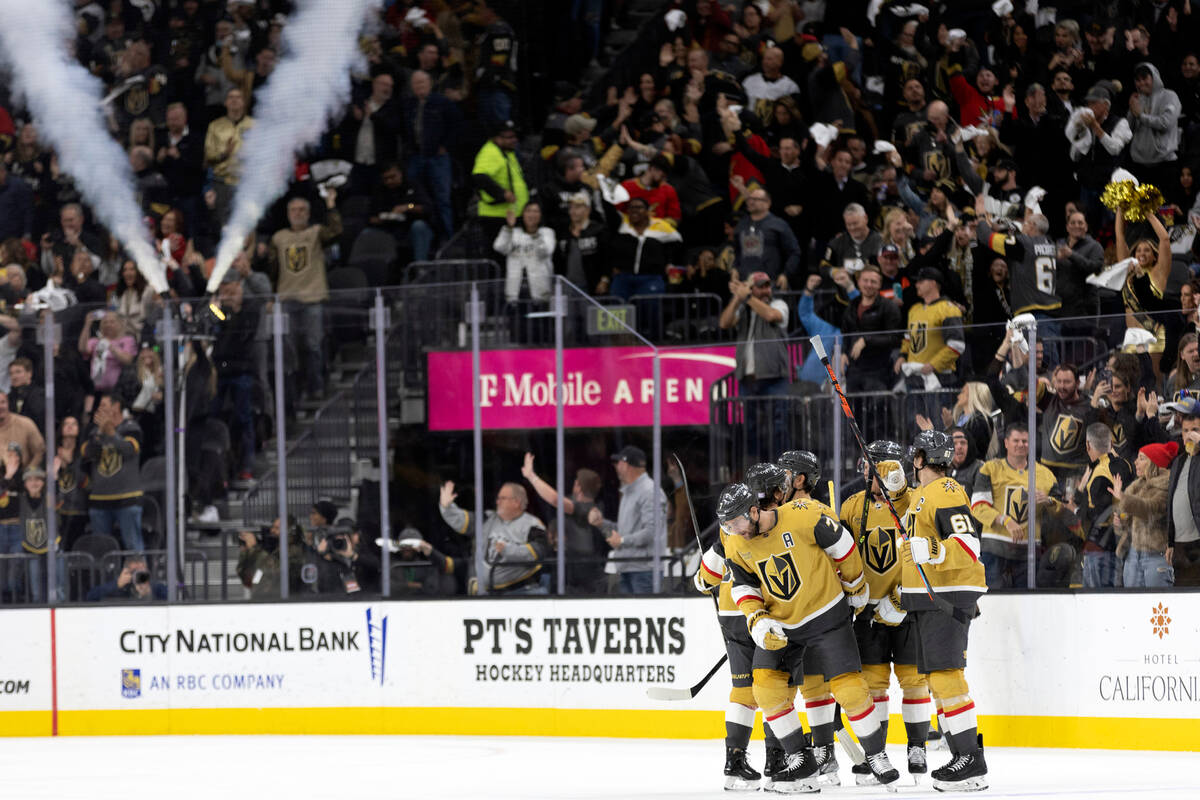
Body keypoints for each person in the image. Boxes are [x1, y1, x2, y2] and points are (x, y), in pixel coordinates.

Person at [718, 482, 898, 791]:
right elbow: (743, 585)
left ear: (753, 510)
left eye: (736, 521)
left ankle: (876, 756)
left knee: (849, 689)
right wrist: (757, 619)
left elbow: (843, 545)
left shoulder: (804, 515)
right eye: (728, 525)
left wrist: (855, 585)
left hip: (826, 615)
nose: (734, 530)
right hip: (782, 624)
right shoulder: (736, 542)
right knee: (765, 689)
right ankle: (802, 761)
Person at [900, 430, 988, 792]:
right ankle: (962, 755)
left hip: (946, 595)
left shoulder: (947, 490)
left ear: (920, 458)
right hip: (928, 595)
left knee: (948, 677)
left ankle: (970, 761)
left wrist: (934, 551)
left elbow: (969, 544)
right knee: (938, 680)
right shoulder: (921, 496)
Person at [838, 441, 932, 780]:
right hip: (868, 613)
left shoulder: (912, 504)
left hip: (907, 609)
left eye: (876, 465)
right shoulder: (851, 506)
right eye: (867, 464)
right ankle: (874, 754)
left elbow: (925, 553)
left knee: (914, 681)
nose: (868, 470)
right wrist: (851, 595)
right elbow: (840, 559)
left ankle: (917, 747)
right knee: (873, 685)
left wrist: (904, 598)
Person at [694, 464, 790, 790]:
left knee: (743, 690)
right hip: (762, 609)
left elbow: (706, 575)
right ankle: (777, 760)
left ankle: (734, 764)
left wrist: (702, 578)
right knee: (775, 685)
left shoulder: (730, 524)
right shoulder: (773, 518)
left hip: (730, 610)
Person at [267, 190, 341, 402]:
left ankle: (316, 387)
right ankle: (293, 394)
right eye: (293, 210)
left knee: (313, 345)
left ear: (308, 214)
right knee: (289, 351)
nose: (297, 213)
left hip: (312, 299)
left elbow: (336, 231)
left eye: (301, 210)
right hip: (287, 299)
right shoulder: (278, 238)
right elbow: (274, 270)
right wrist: (272, 297)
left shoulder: (317, 232)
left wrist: (331, 205)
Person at [970, 422, 1060, 589]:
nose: (1021, 445)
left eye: (1025, 441)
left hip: (1029, 552)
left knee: (1026, 605)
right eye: (1016, 441)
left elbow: (1061, 507)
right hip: (995, 549)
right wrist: (1005, 521)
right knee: (993, 602)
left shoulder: (1046, 475)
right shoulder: (990, 469)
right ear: (1006, 443)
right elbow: (977, 506)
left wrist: (1049, 501)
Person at [719, 271, 789, 461]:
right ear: (752, 288)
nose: (766, 290)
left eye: (768, 285)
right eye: (761, 286)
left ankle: (780, 467)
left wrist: (747, 296)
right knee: (750, 427)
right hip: (748, 379)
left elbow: (771, 315)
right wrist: (737, 298)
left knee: (778, 426)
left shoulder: (778, 304)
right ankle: (754, 467)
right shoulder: (744, 309)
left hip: (774, 377)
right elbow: (724, 323)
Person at [438, 478, 548, 594]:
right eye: (498, 498)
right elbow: (462, 521)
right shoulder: (488, 518)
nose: (497, 502)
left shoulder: (533, 525)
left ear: (516, 502)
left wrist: (508, 550)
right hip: (489, 593)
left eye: (502, 498)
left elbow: (537, 552)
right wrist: (447, 508)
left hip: (521, 591)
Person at [521, 452, 608, 594]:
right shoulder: (589, 509)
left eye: (575, 483)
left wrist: (532, 476)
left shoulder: (587, 509)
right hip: (574, 578)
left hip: (586, 583)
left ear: (578, 487)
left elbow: (555, 499)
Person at [894, 268, 965, 427]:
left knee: (938, 426)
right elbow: (908, 338)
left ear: (933, 283)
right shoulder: (914, 309)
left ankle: (938, 453)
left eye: (921, 281)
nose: (916, 284)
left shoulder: (948, 309)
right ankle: (918, 453)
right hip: (914, 379)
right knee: (916, 427)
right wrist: (902, 356)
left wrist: (933, 365)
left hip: (940, 379)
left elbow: (957, 345)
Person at [592, 446, 667, 595]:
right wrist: (602, 524)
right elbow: (625, 530)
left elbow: (652, 532)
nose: (616, 467)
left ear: (626, 465)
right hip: (630, 568)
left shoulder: (649, 491)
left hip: (644, 571)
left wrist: (622, 541)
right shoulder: (630, 491)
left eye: (618, 463)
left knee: (645, 615)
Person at [210, 271, 262, 481]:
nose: (226, 291)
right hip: (221, 369)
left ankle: (247, 464)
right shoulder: (221, 309)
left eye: (229, 286)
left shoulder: (249, 307)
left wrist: (232, 311)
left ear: (237, 285)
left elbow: (240, 335)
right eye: (223, 287)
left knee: (243, 417)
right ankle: (221, 467)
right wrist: (221, 312)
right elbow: (218, 328)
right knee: (214, 416)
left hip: (242, 369)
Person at [80, 394, 144, 552]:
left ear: (116, 407)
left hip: (127, 500)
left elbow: (128, 450)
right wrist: (99, 435)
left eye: (103, 405)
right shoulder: (93, 431)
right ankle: (107, 578)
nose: (99, 409)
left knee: (133, 546)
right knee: (102, 549)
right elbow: (88, 455)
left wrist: (111, 434)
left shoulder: (131, 427)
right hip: (99, 501)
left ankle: (140, 576)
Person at [1071, 423, 1132, 588]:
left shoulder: (1099, 473)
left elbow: (1102, 516)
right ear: (1111, 443)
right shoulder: (1125, 464)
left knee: (1097, 603)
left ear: (1088, 445)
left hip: (1100, 547)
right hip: (1123, 544)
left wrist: (1076, 509)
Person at [402, 70, 460, 241]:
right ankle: (418, 235)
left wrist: (445, 146)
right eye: (416, 83)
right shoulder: (409, 104)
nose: (420, 86)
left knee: (442, 198)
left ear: (430, 84)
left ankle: (447, 239)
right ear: (411, 86)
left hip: (438, 158)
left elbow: (457, 126)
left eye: (423, 83)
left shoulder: (442, 102)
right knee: (413, 197)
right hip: (416, 156)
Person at [1114, 208, 1173, 366]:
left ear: (1155, 255)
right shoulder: (1129, 274)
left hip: (1153, 333)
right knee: (1131, 385)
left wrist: (1147, 212)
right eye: (1139, 250)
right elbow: (1120, 238)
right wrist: (1120, 208)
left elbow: (1165, 240)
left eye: (1147, 250)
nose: (1142, 253)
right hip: (1131, 336)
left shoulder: (1158, 273)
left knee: (1155, 385)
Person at [1112, 442, 1176, 588]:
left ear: (1154, 463)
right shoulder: (1136, 487)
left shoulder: (1166, 487)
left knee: (1156, 607)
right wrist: (1120, 523)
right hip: (1133, 555)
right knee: (1133, 607)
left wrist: (1122, 497)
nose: (1136, 461)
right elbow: (1128, 523)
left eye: (1141, 458)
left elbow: (1149, 510)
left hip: (1157, 557)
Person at [841, 265, 903, 392]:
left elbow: (895, 338)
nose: (868, 285)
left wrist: (866, 340)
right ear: (858, 282)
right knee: (853, 410)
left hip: (879, 371)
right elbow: (845, 333)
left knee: (878, 409)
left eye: (873, 282)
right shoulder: (852, 306)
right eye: (865, 280)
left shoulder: (888, 307)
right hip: (854, 370)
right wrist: (842, 353)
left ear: (879, 284)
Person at [472, 120, 528, 252]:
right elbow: (479, 177)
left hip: (510, 213)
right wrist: (502, 193)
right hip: (496, 216)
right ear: (496, 138)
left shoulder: (507, 152)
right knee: (500, 254)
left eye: (514, 136)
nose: (514, 140)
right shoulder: (490, 152)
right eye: (509, 137)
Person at [733, 187, 801, 289]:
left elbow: (794, 252)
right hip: (744, 285)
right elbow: (737, 251)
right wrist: (734, 269)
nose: (750, 202)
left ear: (767, 203)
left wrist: (785, 274)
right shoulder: (741, 225)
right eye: (749, 199)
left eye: (755, 199)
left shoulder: (779, 225)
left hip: (770, 284)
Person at [203, 87, 254, 223]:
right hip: (221, 183)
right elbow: (208, 156)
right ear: (225, 102)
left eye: (238, 97)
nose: (234, 100)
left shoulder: (255, 125)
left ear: (244, 102)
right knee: (221, 223)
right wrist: (224, 154)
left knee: (246, 223)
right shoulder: (215, 126)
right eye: (231, 97)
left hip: (246, 183)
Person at [1039, 363, 1097, 483]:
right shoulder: (1048, 400)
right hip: (1046, 474)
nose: (1061, 386)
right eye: (1059, 381)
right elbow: (1024, 382)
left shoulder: (1089, 406)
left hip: (1076, 476)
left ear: (1077, 383)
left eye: (1066, 382)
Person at [367, 162, 434, 264]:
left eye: (392, 177)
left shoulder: (413, 185)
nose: (389, 181)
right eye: (386, 179)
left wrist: (408, 207)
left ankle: (420, 268)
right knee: (367, 233)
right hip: (388, 229)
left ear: (401, 174)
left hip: (410, 229)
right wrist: (384, 218)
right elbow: (371, 217)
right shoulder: (380, 191)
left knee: (419, 226)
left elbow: (427, 208)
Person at [1165, 403, 1200, 586]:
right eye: (1186, 430)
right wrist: (1170, 542)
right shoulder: (1179, 461)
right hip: (1180, 544)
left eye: (1195, 429)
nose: (1189, 435)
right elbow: (1171, 501)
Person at [495, 201, 556, 304]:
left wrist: (535, 234)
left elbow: (545, 252)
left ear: (541, 215)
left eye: (535, 211)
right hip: (515, 292)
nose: (531, 214)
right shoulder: (513, 232)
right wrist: (509, 228)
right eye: (528, 211)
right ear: (523, 214)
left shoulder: (547, 232)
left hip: (540, 292)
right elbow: (499, 247)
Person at [78, 311, 136, 396]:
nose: (108, 325)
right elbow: (82, 348)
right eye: (105, 322)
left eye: (112, 322)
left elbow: (127, 360)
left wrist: (110, 346)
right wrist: (87, 325)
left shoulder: (127, 340)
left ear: (119, 324)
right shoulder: (96, 341)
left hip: (118, 390)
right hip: (97, 389)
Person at [85, 554, 167, 601]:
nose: (138, 575)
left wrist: (149, 593)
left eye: (141, 572)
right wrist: (116, 585)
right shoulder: (119, 585)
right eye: (134, 572)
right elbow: (90, 597)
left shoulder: (154, 586)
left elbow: (170, 597)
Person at [7, 358, 44, 434]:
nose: (14, 376)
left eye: (18, 372)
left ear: (29, 373)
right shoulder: (8, 397)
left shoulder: (40, 394)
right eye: (11, 373)